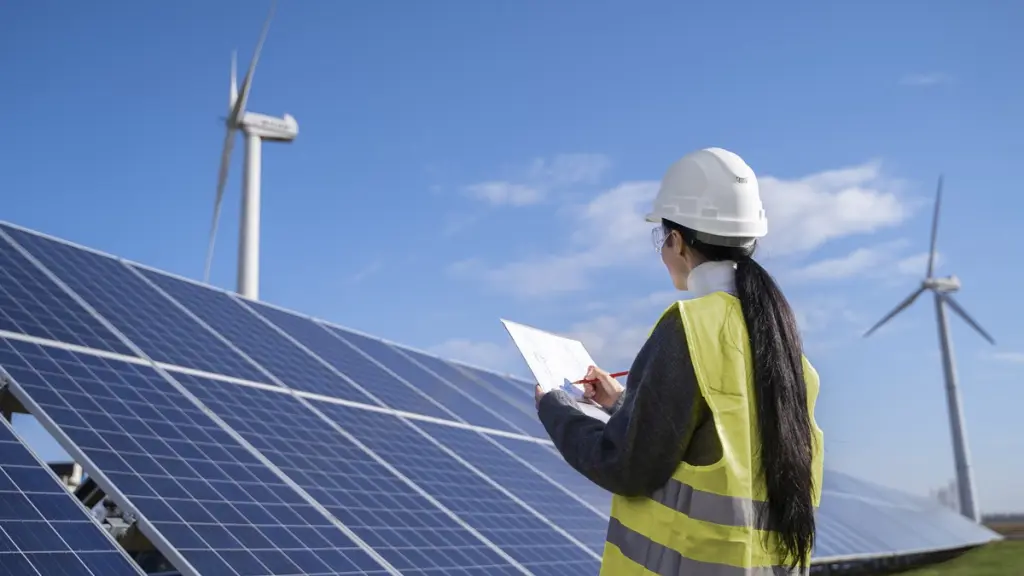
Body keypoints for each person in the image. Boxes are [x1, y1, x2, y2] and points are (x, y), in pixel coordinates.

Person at [535, 147, 825, 575]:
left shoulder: (689, 327)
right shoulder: (788, 354)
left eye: (662, 238)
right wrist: (623, 404)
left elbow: (626, 465)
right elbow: (718, 439)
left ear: (677, 240)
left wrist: (554, 409)